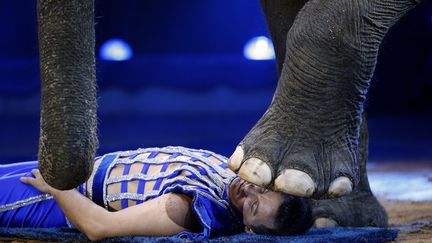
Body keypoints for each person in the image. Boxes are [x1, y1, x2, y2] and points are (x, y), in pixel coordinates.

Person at [0, 146, 312, 240]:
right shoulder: (237, 173)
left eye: (253, 206)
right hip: (80, 168)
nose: (249, 191)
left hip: (56, 196)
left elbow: (99, 228)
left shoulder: (191, 208)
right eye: (264, 189)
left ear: (247, 228)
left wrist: (55, 186)